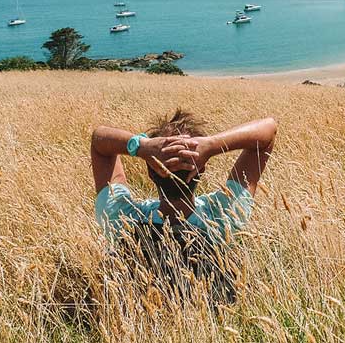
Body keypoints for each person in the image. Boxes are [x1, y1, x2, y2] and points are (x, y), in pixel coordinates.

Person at [90, 109, 277, 302]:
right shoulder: (223, 218)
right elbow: (268, 131)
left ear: (150, 172)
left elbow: (99, 142)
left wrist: (142, 146)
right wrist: (212, 145)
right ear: (201, 169)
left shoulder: (122, 220)